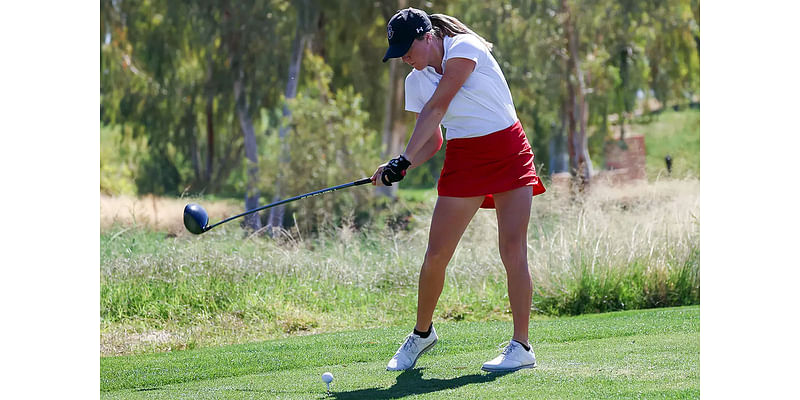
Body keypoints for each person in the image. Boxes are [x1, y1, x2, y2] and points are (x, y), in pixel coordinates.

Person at [372, 8, 546, 373]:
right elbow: (434, 140)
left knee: (513, 249)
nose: (405, 57)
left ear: (427, 36)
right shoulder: (415, 79)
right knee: (436, 254)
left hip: (507, 150)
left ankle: (522, 347)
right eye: (398, 52)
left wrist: (402, 159)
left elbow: (438, 107)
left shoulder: (465, 47)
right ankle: (422, 334)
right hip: (465, 157)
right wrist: (398, 167)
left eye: (408, 48)